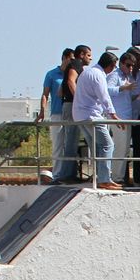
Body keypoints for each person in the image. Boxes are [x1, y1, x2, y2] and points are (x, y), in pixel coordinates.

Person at [73, 50, 122, 190]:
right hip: (91, 116)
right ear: (111, 65)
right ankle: (105, 179)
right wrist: (113, 115)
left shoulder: (87, 72)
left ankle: (100, 177)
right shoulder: (98, 75)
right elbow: (104, 96)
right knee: (108, 145)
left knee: (97, 147)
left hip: (80, 116)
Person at [51, 45, 93, 183]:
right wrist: (78, 99)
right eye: (88, 55)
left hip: (69, 105)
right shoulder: (76, 64)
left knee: (73, 140)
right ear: (81, 55)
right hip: (73, 106)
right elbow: (70, 81)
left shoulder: (75, 66)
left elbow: (60, 92)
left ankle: (68, 173)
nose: (90, 58)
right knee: (71, 140)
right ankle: (66, 175)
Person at [108, 49, 140, 186]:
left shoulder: (126, 77)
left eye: (132, 65)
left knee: (125, 149)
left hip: (126, 116)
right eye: (128, 65)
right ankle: (116, 178)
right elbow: (107, 90)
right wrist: (123, 88)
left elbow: (125, 96)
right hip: (118, 117)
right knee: (120, 148)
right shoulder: (114, 75)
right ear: (121, 64)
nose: (130, 68)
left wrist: (137, 96)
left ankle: (120, 177)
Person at [38, 48, 73, 180]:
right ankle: (57, 174)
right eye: (70, 59)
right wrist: (42, 111)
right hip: (57, 113)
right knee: (58, 144)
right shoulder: (52, 74)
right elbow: (45, 94)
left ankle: (69, 173)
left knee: (70, 144)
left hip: (71, 113)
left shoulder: (73, 73)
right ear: (64, 58)